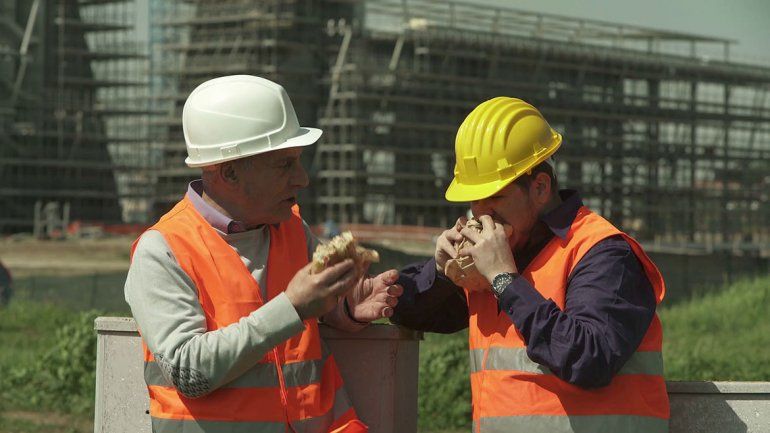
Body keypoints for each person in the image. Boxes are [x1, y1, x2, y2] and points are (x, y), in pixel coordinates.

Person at [125, 75, 402, 433]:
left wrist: (345, 306)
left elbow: (303, 329)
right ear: (229, 173)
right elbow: (189, 373)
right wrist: (292, 308)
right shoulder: (163, 250)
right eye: (284, 164)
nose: (302, 178)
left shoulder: (292, 230)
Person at [392, 97, 669, 433]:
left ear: (540, 187)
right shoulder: (494, 258)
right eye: (474, 200)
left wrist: (504, 281)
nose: (482, 213)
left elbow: (590, 359)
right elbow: (405, 308)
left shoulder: (603, 252)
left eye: (495, 197)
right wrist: (440, 273)